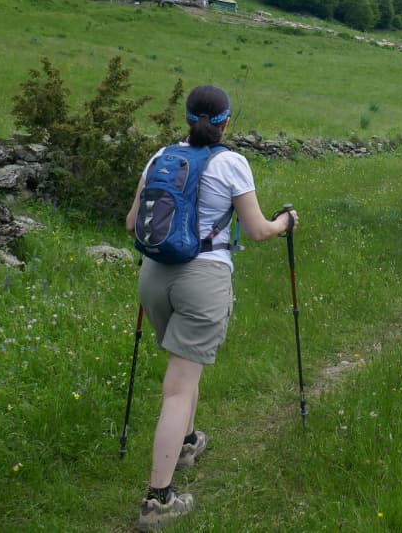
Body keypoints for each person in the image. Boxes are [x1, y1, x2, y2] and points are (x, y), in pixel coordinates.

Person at [123, 85, 298, 531]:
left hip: (154, 275)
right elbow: (257, 231)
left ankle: (185, 444)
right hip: (203, 277)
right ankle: (158, 499)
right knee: (179, 386)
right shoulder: (231, 162)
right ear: (225, 121)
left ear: (186, 118)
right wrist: (286, 222)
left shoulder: (159, 156)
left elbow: (131, 224)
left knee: (185, 368)